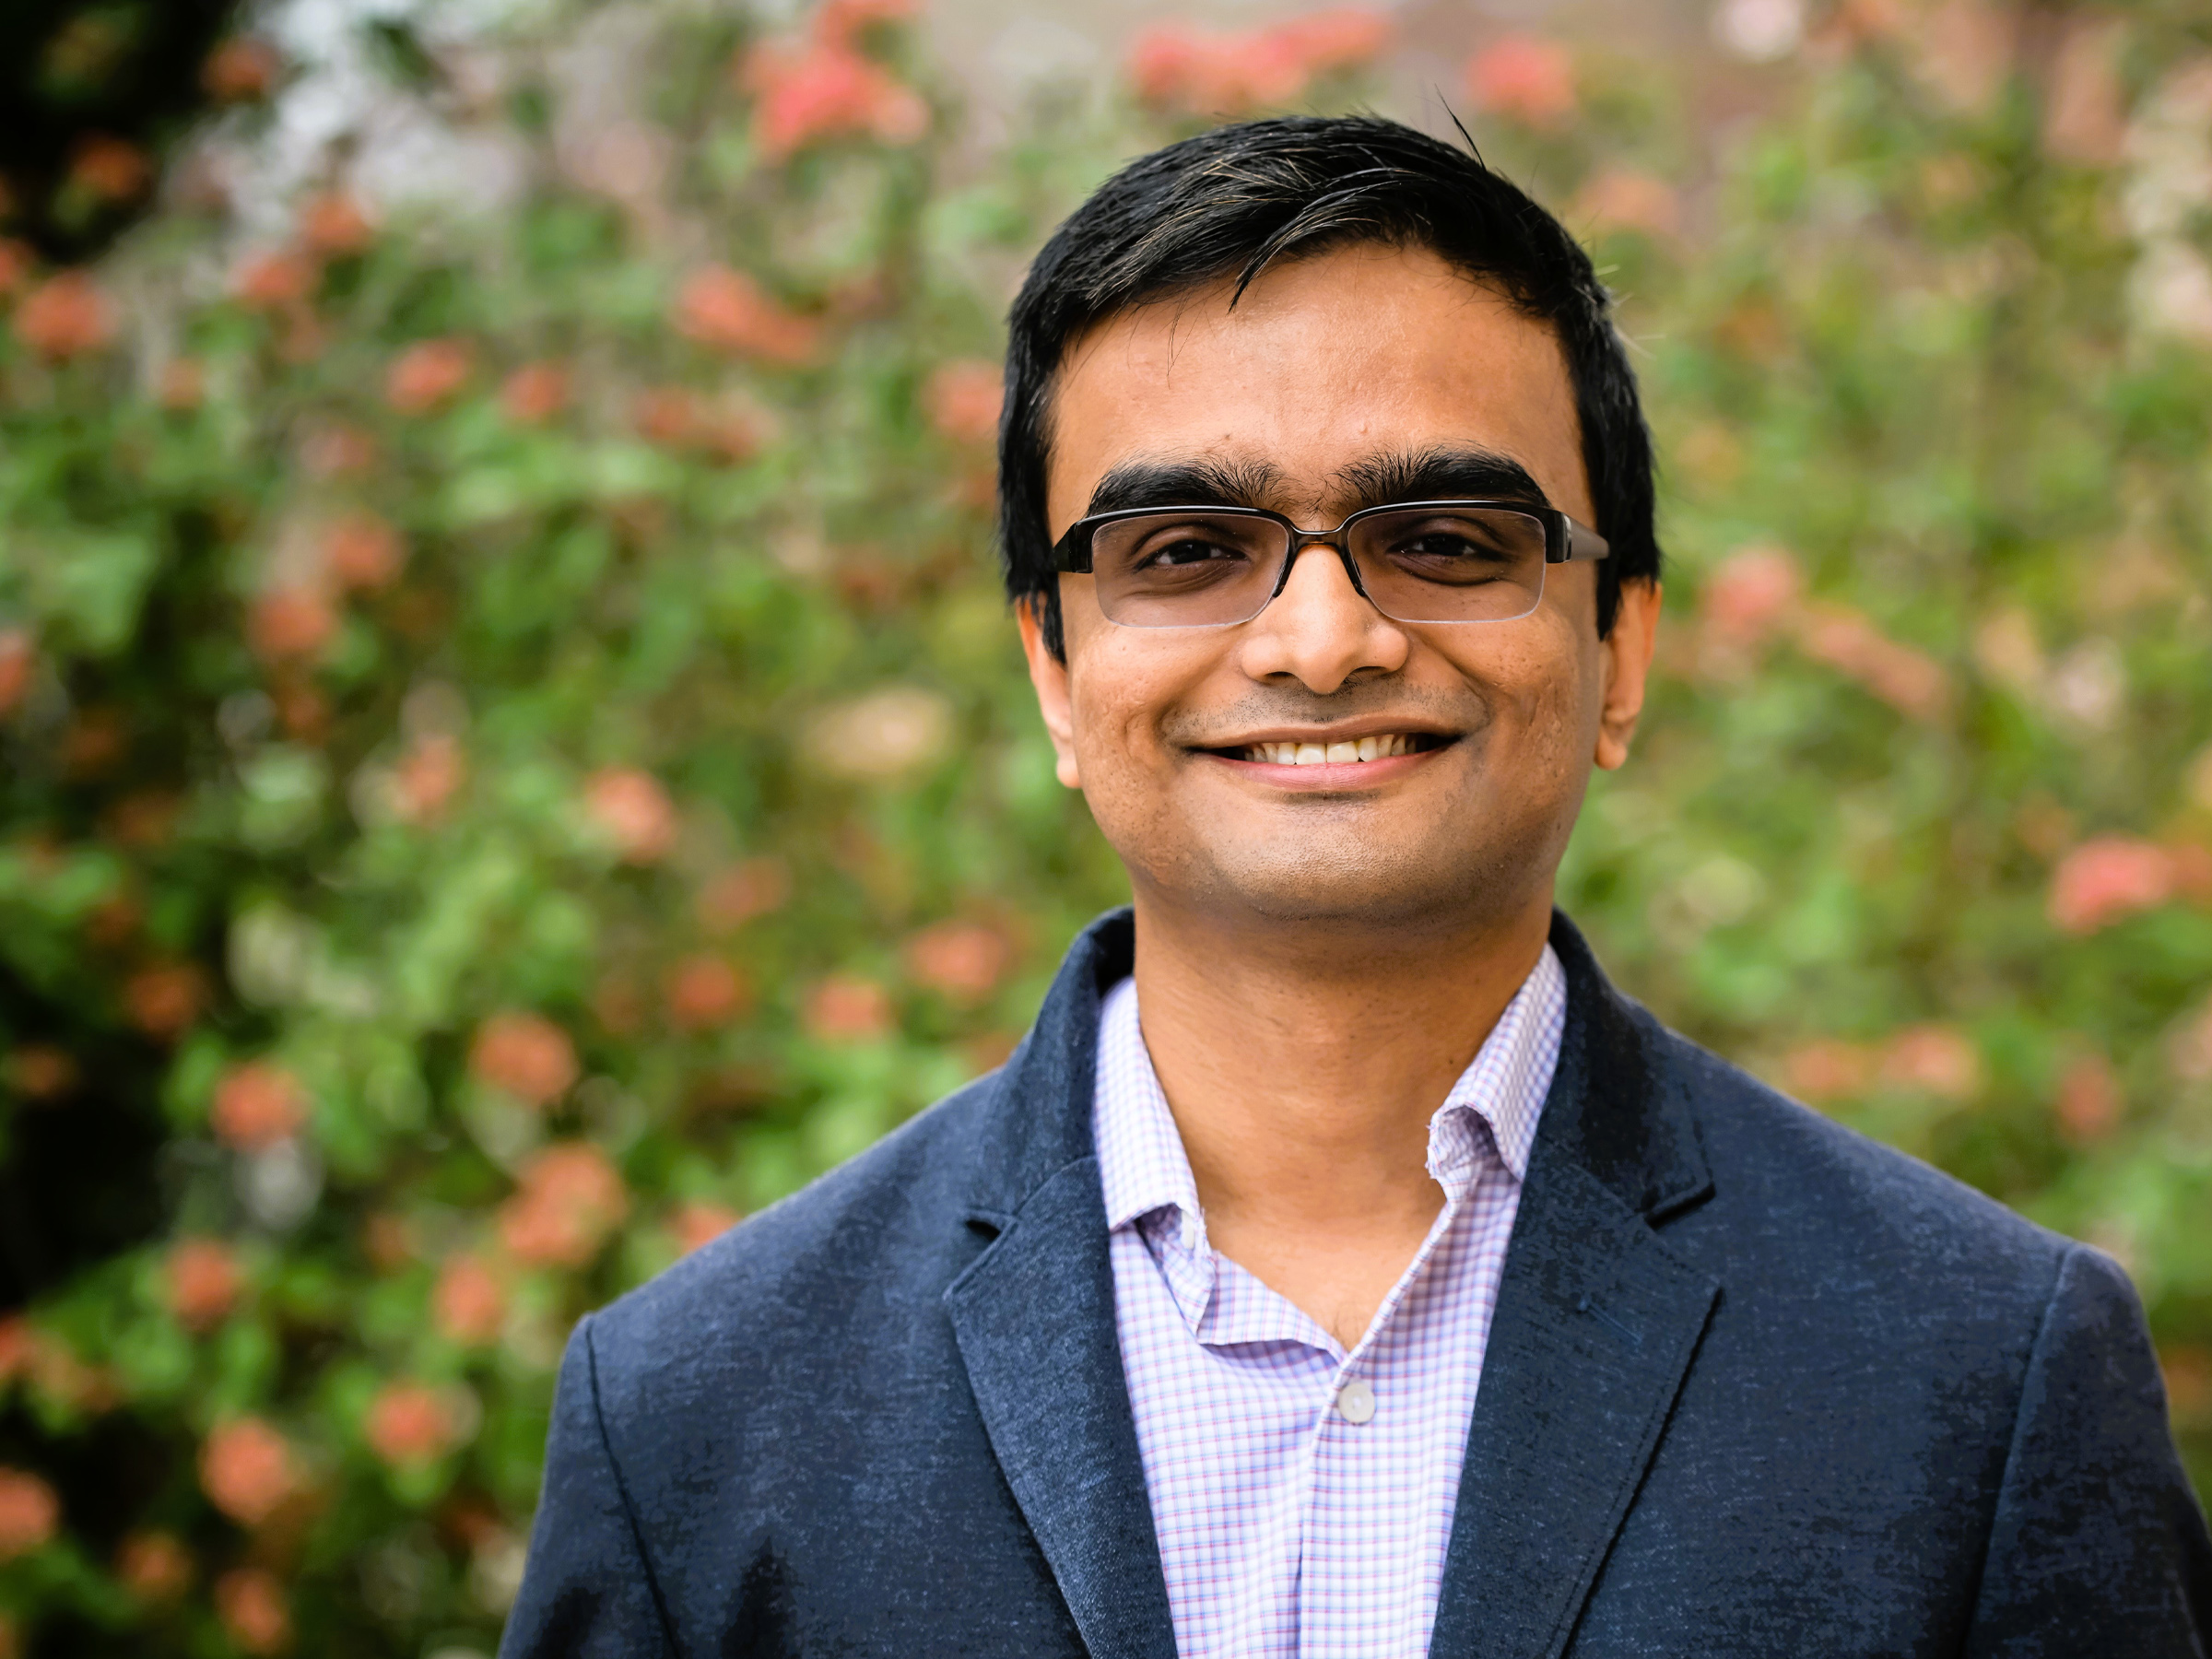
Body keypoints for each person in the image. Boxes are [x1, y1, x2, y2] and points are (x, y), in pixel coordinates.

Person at [500, 115, 2211, 1657]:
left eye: (1449, 540)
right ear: (1051, 666)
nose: (1322, 639)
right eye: (1185, 552)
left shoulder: (1982, 1377)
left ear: (1622, 648)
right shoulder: (698, 1419)